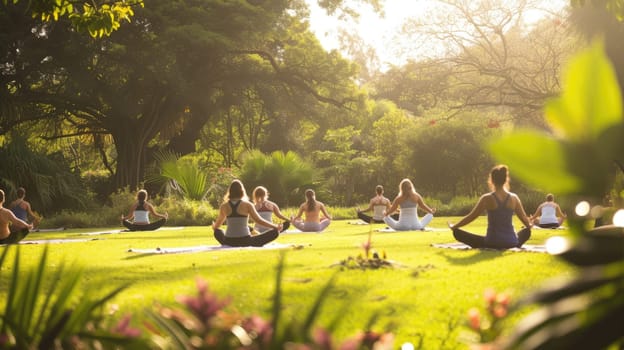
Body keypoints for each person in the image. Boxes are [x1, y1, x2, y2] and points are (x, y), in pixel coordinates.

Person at [448, 165, 532, 249]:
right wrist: (530, 224)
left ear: (491, 180)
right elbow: (525, 220)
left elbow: (471, 217)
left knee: (457, 233)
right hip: (512, 242)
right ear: (506, 180)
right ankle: (511, 243)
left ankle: (488, 244)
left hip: (492, 242)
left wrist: (454, 226)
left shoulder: (487, 198)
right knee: (527, 232)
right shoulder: (514, 198)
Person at [213, 179, 282, 247]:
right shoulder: (248, 205)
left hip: (228, 241)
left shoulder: (224, 206)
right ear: (242, 191)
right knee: (275, 232)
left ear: (230, 191)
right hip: (246, 241)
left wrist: (214, 226)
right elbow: (259, 220)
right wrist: (275, 226)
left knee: (217, 232)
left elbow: (217, 225)